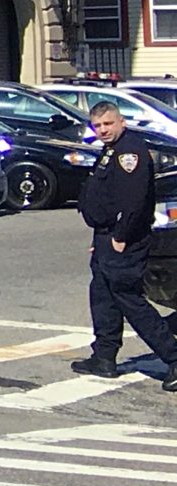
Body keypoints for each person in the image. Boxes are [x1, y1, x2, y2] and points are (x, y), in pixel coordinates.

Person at [68, 101, 177, 389]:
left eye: (108, 124)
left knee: (129, 299)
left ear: (121, 122)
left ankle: (174, 358)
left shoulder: (130, 152)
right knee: (103, 296)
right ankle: (104, 357)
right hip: (106, 237)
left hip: (124, 239)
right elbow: (106, 197)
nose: (103, 130)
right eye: (98, 125)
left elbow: (134, 202)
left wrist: (120, 236)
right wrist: (101, 239)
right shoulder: (111, 150)